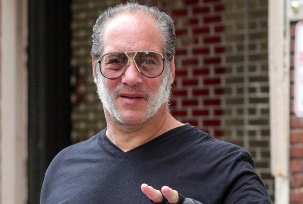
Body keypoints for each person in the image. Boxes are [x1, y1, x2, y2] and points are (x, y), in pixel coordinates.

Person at [40, 2, 272, 204]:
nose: (131, 77)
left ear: (170, 70)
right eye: (116, 61)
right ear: (95, 68)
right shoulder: (64, 166)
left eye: (148, 61)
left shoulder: (226, 167)